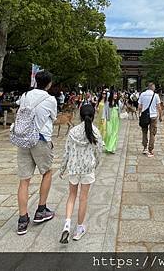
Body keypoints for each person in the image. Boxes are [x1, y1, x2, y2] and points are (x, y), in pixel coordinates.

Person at [16, 71, 57, 235]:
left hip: (23, 139)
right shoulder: (50, 99)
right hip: (40, 139)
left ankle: (22, 219)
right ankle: (41, 209)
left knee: (24, 180)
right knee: (47, 172)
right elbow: (52, 117)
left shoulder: (25, 95)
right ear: (49, 84)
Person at [59, 104, 104, 243]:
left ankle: (67, 224)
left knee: (71, 196)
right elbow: (98, 152)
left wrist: (62, 168)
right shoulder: (95, 132)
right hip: (87, 169)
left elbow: (67, 152)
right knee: (83, 198)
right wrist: (96, 164)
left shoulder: (73, 132)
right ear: (93, 115)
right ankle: (79, 229)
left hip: (73, 167)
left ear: (80, 115)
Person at [138, 82, 161, 158]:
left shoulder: (142, 94)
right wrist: (160, 116)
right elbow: (158, 107)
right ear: (152, 87)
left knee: (144, 132)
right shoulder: (156, 95)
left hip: (144, 116)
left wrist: (140, 114)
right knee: (152, 133)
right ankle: (150, 150)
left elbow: (140, 106)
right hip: (153, 116)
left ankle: (144, 148)